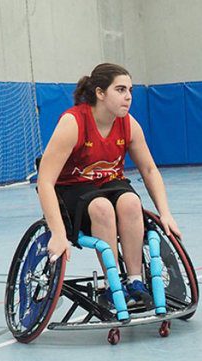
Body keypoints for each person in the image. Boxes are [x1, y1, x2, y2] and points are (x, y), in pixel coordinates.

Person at [37, 63, 180, 307]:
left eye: (130, 91)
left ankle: (135, 280)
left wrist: (166, 213)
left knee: (131, 202)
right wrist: (58, 233)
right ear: (100, 93)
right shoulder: (73, 123)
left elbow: (149, 169)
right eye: (121, 90)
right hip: (72, 190)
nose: (128, 97)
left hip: (109, 184)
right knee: (102, 207)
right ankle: (112, 283)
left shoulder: (129, 124)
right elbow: (45, 181)